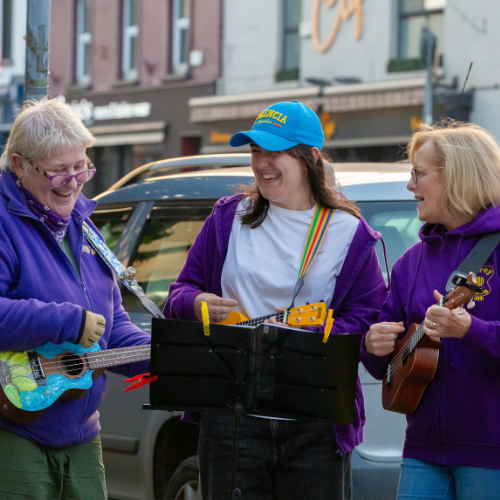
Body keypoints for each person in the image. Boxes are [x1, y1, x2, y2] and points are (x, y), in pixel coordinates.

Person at [164, 100, 388, 500]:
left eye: (274, 152)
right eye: (255, 152)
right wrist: (196, 304)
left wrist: (321, 331)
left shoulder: (348, 233)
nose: (262, 163)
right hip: (231, 416)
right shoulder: (227, 217)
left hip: (315, 422)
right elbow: (178, 294)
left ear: (311, 157)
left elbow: (369, 323)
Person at [0, 98, 151, 500]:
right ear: (19, 165)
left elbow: (112, 324)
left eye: (82, 167)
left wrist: (158, 353)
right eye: (59, 172)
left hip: (82, 432)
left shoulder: (84, 226)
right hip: (13, 428)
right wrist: (67, 321)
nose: (74, 181)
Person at [362, 121, 500, 500]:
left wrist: (470, 329)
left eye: (419, 174)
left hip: (491, 452)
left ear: (457, 177)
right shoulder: (411, 261)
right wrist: (372, 344)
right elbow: (384, 367)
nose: (410, 186)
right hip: (422, 450)